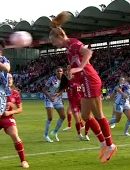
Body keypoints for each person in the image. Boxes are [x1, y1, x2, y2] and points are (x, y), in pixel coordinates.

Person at [49, 11, 116, 163]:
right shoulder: (68, 48)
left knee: (99, 115)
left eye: (53, 42)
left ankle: (110, 145)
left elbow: (88, 52)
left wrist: (80, 68)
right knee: (86, 117)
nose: (53, 45)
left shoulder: (72, 42)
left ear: (60, 37)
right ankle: (102, 143)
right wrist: (73, 72)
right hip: (84, 81)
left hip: (90, 79)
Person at [42, 67, 68, 142]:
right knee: (50, 118)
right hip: (49, 99)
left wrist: (59, 93)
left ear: (62, 72)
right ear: (55, 72)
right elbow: (43, 89)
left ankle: (54, 132)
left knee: (63, 116)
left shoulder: (64, 79)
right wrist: (50, 97)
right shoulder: (51, 79)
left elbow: (64, 87)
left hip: (58, 99)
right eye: (58, 71)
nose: (59, 72)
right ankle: (45, 135)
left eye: (61, 71)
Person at [66, 67, 89, 141]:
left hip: (82, 102)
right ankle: (79, 134)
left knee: (88, 119)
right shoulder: (70, 81)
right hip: (74, 103)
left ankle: (86, 134)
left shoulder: (82, 81)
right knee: (77, 121)